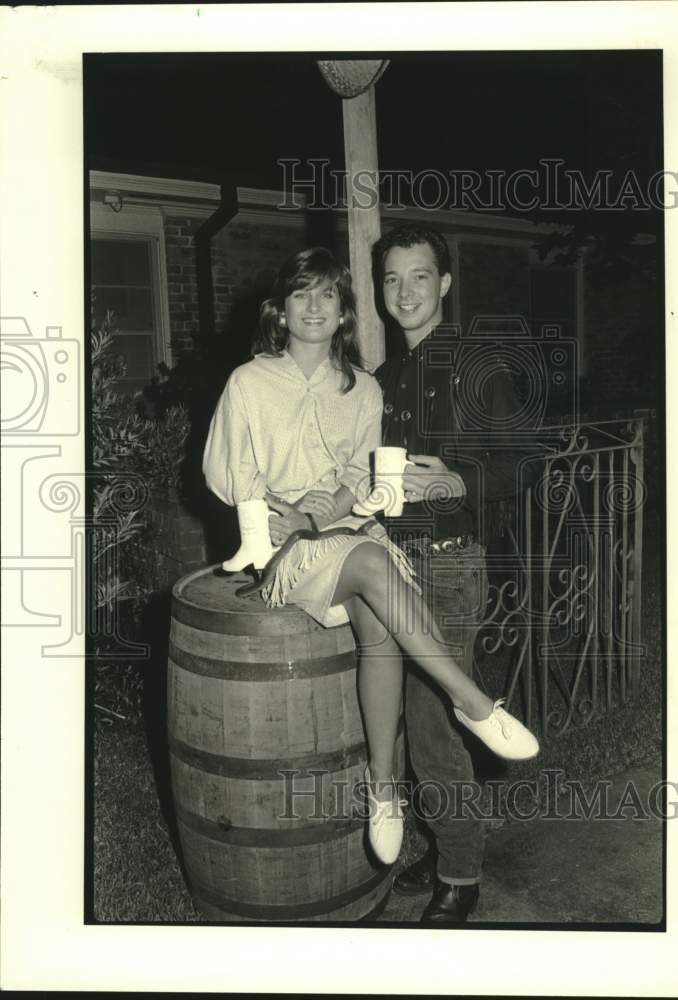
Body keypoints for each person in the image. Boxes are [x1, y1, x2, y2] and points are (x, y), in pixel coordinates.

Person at [202, 246, 538, 873]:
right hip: (287, 547)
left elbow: (362, 477)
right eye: (301, 293)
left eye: (327, 294)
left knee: (380, 622)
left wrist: (331, 506)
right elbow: (230, 474)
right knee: (372, 564)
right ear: (281, 308)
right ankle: (472, 702)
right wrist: (281, 517)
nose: (313, 306)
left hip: (360, 537)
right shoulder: (249, 381)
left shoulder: (364, 388)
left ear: (344, 312)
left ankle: (383, 793)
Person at [372, 223, 530, 922]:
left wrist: (460, 483)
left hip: (450, 566)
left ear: (443, 283)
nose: (404, 291)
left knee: (434, 722)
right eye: (391, 279)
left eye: (418, 276)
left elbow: (519, 465)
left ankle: (460, 873)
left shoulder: (477, 364)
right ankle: (445, 846)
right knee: (403, 722)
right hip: (392, 568)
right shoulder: (381, 379)